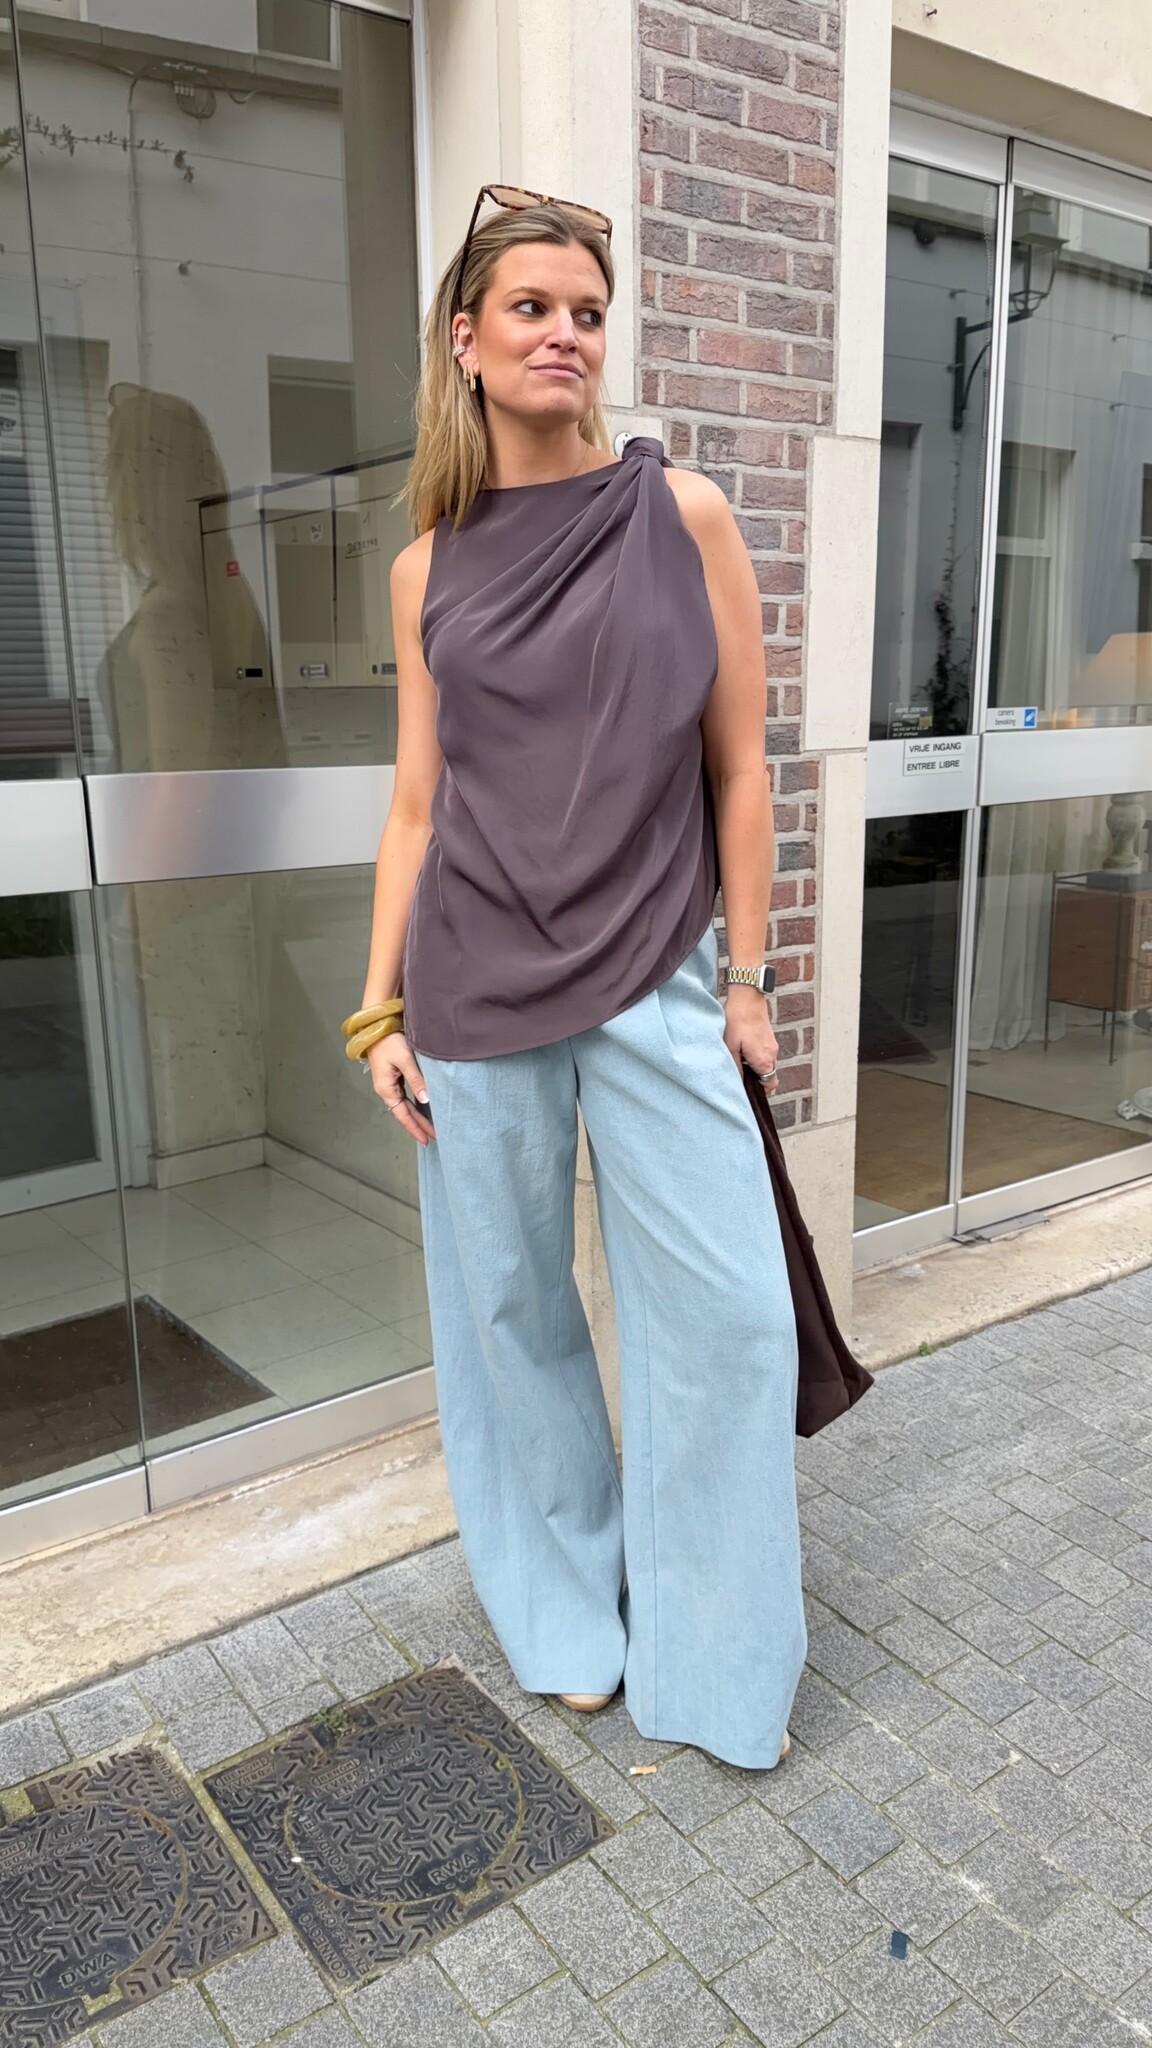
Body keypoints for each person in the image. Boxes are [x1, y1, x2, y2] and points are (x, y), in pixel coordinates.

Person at [345, 185, 805, 1770]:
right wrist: (379, 1006)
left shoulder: (682, 516)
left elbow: (742, 769)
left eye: (589, 313)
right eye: (532, 307)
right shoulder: (425, 570)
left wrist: (750, 978)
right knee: (513, 1314)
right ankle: (563, 1614)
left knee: (730, 1322)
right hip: (472, 986)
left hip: (661, 974)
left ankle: (715, 1652)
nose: (565, 334)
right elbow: (418, 803)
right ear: (466, 340)